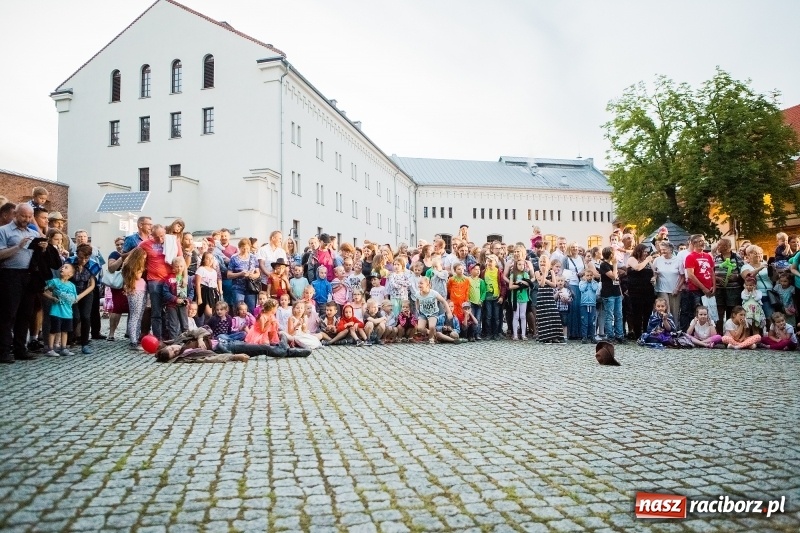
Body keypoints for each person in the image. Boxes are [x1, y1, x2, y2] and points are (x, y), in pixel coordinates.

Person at [67, 243, 99, 354]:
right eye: (81, 257)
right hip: (71, 292)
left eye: (86, 258)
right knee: (75, 317)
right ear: (77, 254)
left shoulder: (93, 265)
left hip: (86, 292)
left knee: (85, 317)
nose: (83, 260)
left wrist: (80, 296)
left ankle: (85, 344)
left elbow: (92, 285)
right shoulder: (70, 262)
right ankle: (68, 341)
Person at [680, 235, 716, 332]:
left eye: (703, 241)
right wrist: (703, 288)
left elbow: (712, 272)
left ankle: (706, 333)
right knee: (695, 312)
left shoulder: (708, 256)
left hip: (709, 289)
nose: (702, 243)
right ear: (693, 243)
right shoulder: (690, 257)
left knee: (708, 313)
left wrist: (714, 286)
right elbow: (691, 275)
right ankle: (692, 334)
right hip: (695, 290)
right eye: (700, 241)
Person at [42, 263, 78, 357]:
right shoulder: (54, 282)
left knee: (65, 331)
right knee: (54, 330)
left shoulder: (72, 286)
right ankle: (50, 349)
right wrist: (51, 298)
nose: (62, 268)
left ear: (70, 274)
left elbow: (74, 299)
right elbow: (43, 290)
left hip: (67, 313)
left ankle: (63, 348)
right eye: (62, 267)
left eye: (66, 268)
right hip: (56, 311)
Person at [713, 239, 744, 332]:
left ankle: (731, 333)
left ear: (726, 247)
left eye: (719, 245)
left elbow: (743, 271)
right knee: (719, 312)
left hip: (733, 290)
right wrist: (717, 278)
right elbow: (711, 272)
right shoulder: (716, 258)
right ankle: (719, 334)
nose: (717, 247)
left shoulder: (737, 257)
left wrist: (736, 276)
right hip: (719, 289)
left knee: (732, 312)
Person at [122, 247, 148, 350]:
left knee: (138, 316)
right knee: (135, 316)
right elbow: (138, 276)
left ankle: (135, 338)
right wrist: (142, 267)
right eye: (143, 258)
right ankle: (133, 341)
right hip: (137, 291)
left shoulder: (128, 265)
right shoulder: (135, 266)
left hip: (139, 290)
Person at [599, 247, 625, 344]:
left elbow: (617, 281)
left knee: (619, 315)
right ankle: (610, 335)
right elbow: (613, 276)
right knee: (609, 316)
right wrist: (615, 265)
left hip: (616, 292)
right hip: (608, 294)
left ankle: (619, 335)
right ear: (611, 255)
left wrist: (621, 292)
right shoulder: (604, 265)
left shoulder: (612, 265)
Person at [228, 238, 260, 313]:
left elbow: (258, 273)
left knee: (251, 310)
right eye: (243, 248)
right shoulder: (234, 258)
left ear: (250, 247)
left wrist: (252, 276)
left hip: (250, 288)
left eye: (247, 248)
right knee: (239, 309)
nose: (245, 250)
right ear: (239, 248)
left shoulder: (253, 257)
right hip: (238, 288)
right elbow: (229, 275)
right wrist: (240, 274)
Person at [653, 241, 681, 316]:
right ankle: (663, 327)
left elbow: (682, 276)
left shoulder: (678, 260)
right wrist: (654, 277)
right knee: (664, 310)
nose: (662, 251)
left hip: (675, 289)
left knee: (674, 312)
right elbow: (654, 273)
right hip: (662, 289)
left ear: (671, 249)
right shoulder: (657, 260)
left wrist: (677, 288)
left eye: (664, 249)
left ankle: (674, 327)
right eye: (661, 249)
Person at [195, 251, 222, 324]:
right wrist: (199, 298)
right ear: (204, 259)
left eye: (211, 258)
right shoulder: (201, 269)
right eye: (207, 258)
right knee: (208, 314)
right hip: (204, 292)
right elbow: (197, 284)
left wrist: (218, 292)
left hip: (213, 293)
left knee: (213, 313)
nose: (210, 260)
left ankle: (209, 329)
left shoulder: (214, 271)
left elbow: (215, 283)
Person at [508, 259, 531, 341]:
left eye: (523, 264)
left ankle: (523, 334)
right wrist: (520, 285)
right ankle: (515, 335)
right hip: (515, 298)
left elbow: (528, 284)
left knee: (523, 316)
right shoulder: (513, 275)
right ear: (516, 265)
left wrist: (520, 281)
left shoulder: (526, 274)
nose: (521, 266)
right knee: (516, 315)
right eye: (519, 264)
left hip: (524, 297)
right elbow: (510, 287)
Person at [578, 269, 599, 344]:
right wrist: (586, 282)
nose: (589, 277)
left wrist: (592, 282)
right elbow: (582, 289)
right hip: (584, 304)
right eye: (587, 275)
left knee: (592, 322)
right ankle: (584, 337)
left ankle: (592, 336)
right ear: (584, 276)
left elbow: (595, 289)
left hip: (592, 304)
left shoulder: (595, 283)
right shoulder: (581, 283)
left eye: (590, 275)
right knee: (584, 321)